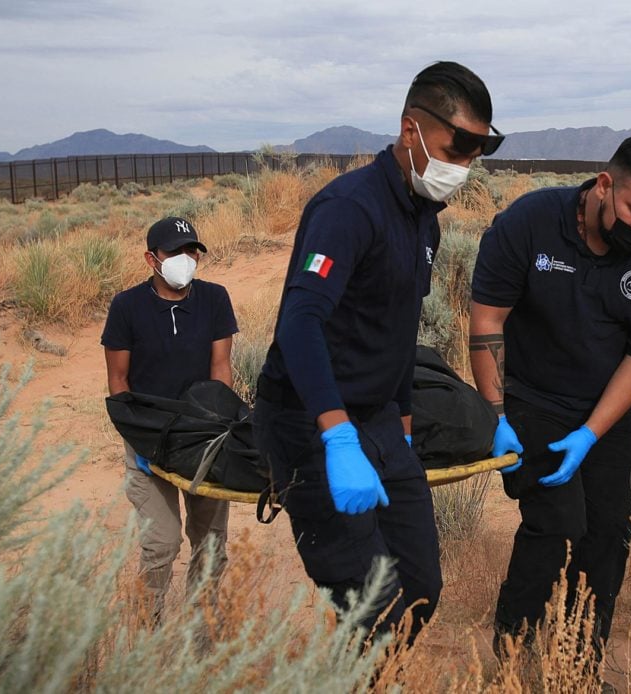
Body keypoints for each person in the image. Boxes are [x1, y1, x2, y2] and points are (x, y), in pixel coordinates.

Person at [253, 61, 502, 639]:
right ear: (410, 129)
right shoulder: (348, 209)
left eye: (476, 152)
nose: (463, 165)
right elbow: (300, 322)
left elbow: (398, 328)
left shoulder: (424, 223)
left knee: (419, 592)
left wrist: (405, 429)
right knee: (375, 611)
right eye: (456, 146)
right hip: (311, 423)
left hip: (383, 423)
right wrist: (337, 435)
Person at [468, 133, 631, 664]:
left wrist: (592, 433)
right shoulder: (529, 222)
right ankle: (513, 646)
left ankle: (579, 661)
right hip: (529, 399)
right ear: (604, 185)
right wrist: (498, 416)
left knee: (609, 533)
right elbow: (487, 321)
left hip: (606, 408)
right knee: (558, 522)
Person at [101, 216, 238, 622]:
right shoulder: (127, 307)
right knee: (160, 543)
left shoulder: (215, 299)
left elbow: (222, 367)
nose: (188, 259)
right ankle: (148, 627)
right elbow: (118, 380)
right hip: (149, 439)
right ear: (151, 259)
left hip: (203, 437)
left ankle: (201, 625)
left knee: (210, 540)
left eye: (193, 250)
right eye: (176, 252)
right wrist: (139, 440)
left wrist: (219, 427)